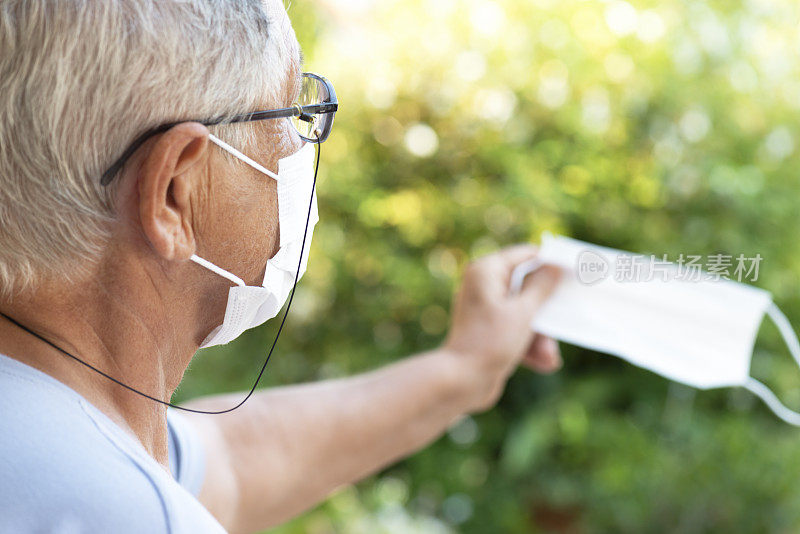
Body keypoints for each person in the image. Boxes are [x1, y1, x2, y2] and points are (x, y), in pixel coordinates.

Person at [0, 1, 561, 532]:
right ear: (174, 193)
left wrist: (466, 368)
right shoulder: (132, 518)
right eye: (293, 112)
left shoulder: (48, 417)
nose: (300, 144)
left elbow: (235, 463)